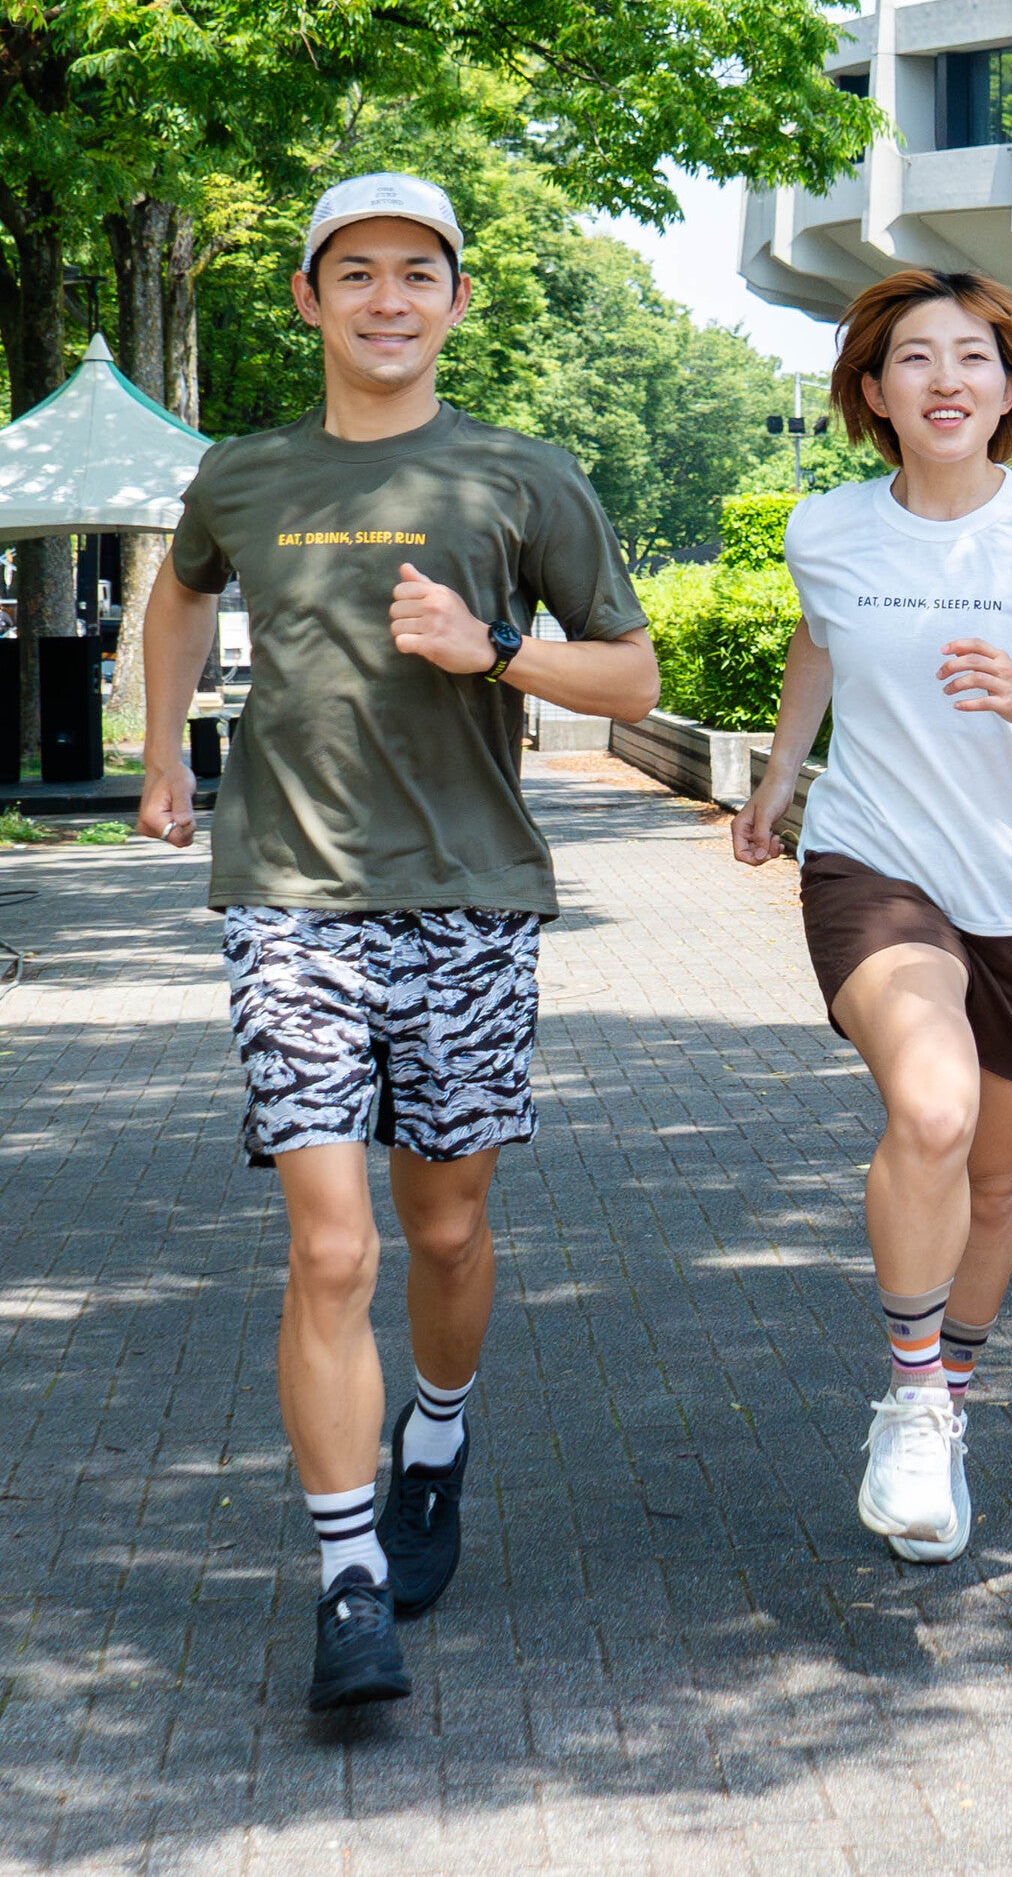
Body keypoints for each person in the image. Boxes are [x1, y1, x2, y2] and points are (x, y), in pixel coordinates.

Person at [137, 172, 659, 1707]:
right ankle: (347, 1569)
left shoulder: (524, 475)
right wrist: (164, 747)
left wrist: (493, 649)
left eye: (415, 273)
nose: (384, 297)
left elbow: (629, 679)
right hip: (287, 897)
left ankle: (436, 1432)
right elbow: (178, 597)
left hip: (472, 894)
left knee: (441, 1228)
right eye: (351, 271)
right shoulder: (242, 474)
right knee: (330, 1239)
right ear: (307, 298)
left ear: (456, 299)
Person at [732, 269, 1012, 1563]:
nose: (944, 379)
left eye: (971, 357)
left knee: (990, 1182)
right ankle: (911, 1395)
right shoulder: (828, 527)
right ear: (872, 392)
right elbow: (821, 640)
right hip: (873, 862)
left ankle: (947, 1417)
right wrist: (777, 779)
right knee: (930, 1106)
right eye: (913, 358)